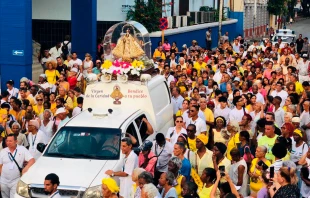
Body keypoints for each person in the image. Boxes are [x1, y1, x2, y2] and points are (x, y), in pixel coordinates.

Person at [0, 134, 35, 198]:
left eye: (10, 141)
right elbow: (0, 166)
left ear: (16, 141)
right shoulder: (3, 151)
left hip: (16, 180)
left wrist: (26, 168)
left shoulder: (22, 149)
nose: (8, 143)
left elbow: (32, 160)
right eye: (7, 141)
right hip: (3, 181)